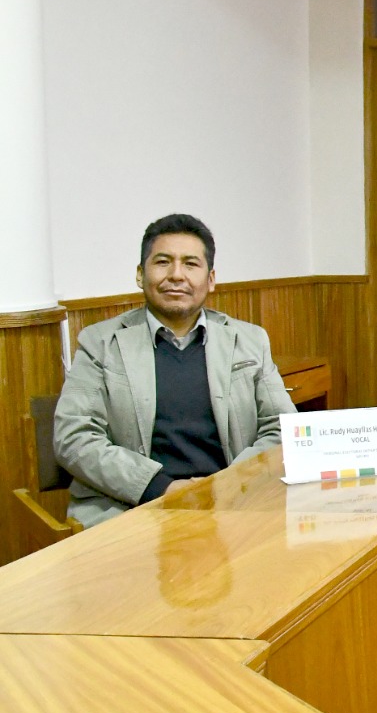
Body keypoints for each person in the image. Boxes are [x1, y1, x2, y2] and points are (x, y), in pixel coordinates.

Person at [54, 214, 296, 528]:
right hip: (133, 508)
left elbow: (282, 428)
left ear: (210, 279)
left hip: (235, 505)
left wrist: (225, 485)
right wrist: (161, 488)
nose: (176, 275)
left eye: (191, 264)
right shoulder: (100, 343)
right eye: (163, 262)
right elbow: (74, 437)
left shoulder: (249, 341)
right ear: (140, 274)